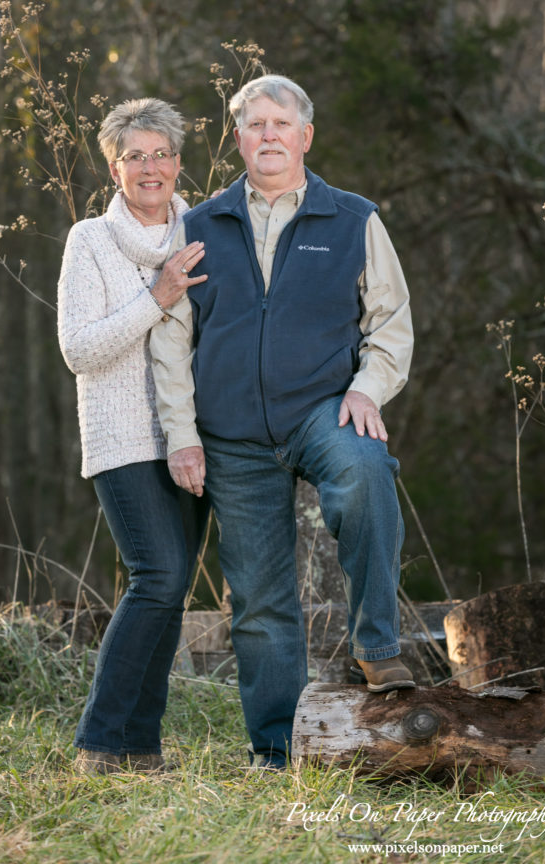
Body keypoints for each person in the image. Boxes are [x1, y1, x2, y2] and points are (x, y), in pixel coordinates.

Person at [150, 75, 415, 770]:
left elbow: (389, 324)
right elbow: (172, 339)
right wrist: (182, 434)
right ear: (236, 139)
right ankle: (275, 750)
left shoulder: (353, 218)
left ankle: (377, 644)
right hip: (230, 434)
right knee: (260, 604)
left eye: (279, 123)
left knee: (364, 472)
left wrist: (367, 390)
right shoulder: (201, 224)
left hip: (321, 411)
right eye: (253, 124)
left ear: (304, 136)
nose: (267, 134)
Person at [57, 97, 210, 776]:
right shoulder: (88, 239)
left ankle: (139, 747)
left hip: (196, 435)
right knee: (159, 576)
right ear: (112, 166)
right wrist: (156, 297)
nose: (150, 168)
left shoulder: (205, 230)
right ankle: (99, 740)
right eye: (134, 156)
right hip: (122, 438)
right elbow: (79, 350)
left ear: (179, 162)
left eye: (160, 154)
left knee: (173, 590)